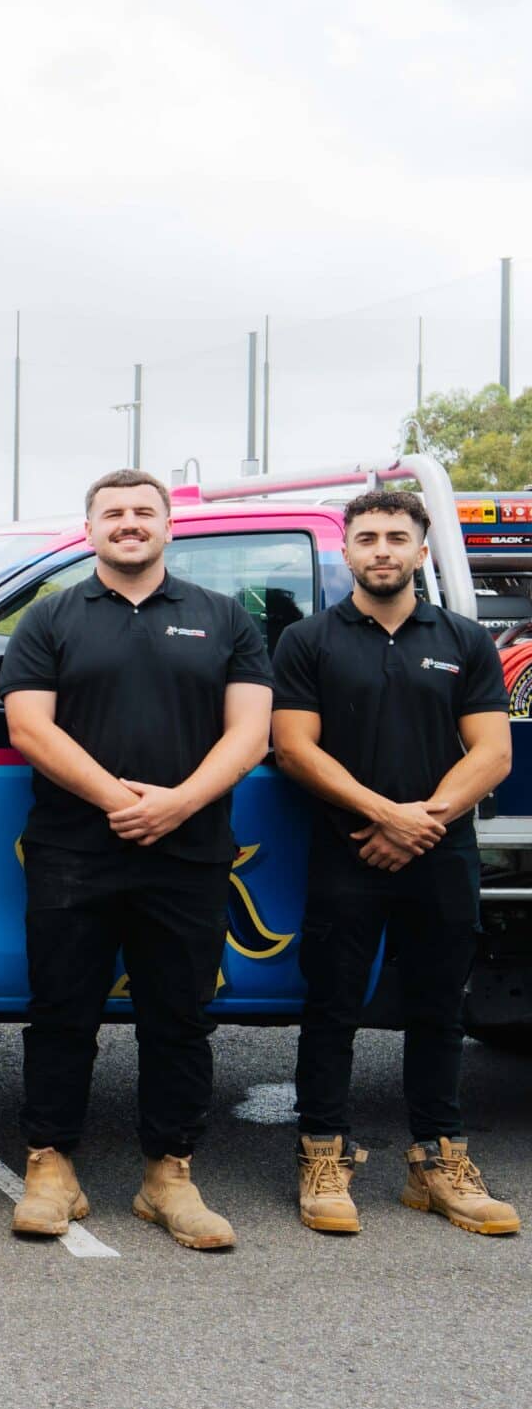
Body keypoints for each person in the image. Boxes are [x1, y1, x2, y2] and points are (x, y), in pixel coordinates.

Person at [0, 469, 273, 1251]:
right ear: (88, 530)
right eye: (112, 512)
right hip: (72, 851)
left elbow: (250, 732)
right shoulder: (48, 619)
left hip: (187, 852)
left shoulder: (226, 619)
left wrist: (177, 803)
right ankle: (50, 1167)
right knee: (60, 1012)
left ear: (168, 526)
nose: (129, 522)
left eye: (143, 511)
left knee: (180, 1018)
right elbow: (29, 727)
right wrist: (119, 800)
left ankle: (169, 1176)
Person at [271, 489, 517, 1235]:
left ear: (421, 549)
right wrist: (383, 815)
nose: (382, 549)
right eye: (368, 537)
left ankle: (438, 1163)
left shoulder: (466, 638)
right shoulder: (308, 640)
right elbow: (294, 748)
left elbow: (493, 753)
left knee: (439, 1011)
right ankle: (322, 1156)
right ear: (345, 551)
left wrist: (421, 822)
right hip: (348, 849)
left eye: (396, 537)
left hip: (440, 853)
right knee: (332, 1008)